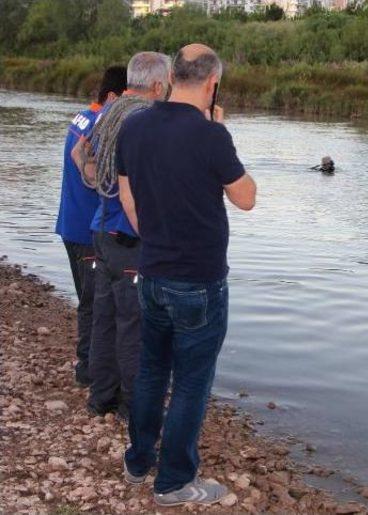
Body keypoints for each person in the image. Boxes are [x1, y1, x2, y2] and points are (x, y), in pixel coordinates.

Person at [117, 43, 256, 506]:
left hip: (152, 272)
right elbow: (246, 197)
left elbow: (128, 198)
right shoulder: (211, 136)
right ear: (213, 83)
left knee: (152, 371)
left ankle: (139, 462)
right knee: (193, 382)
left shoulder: (133, 125)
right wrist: (222, 131)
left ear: (172, 76)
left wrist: (155, 238)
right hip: (199, 279)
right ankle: (174, 481)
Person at [76, 52, 171, 419]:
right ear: (159, 85)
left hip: (102, 229)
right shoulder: (143, 120)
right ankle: (134, 407)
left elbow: (80, 157)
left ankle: (101, 398)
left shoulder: (107, 114)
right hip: (128, 235)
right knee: (133, 326)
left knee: (105, 318)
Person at [55, 66, 127, 387]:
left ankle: (90, 367)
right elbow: (97, 174)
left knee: (88, 300)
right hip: (87, 229)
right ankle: (89, 369)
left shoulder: (82, 117)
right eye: (126, 100)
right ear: (112, 97)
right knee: (93, 304)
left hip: (71, 223)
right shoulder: (102, 123)